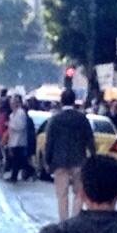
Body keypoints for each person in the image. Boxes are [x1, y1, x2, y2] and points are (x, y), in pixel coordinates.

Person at [44, 89, 95, 220]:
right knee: (79, 193)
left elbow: (49, 141)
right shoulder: (81, 118)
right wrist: (93, 157)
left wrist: (47, 160)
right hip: (79, 160)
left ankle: (64, 222)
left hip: (59, 161)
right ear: (74, 101)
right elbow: (90, 139)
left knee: (62, 194)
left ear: (61, 101)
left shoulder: (55, 119)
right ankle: (75, 220)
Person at [7, 95, 29, 182]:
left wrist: (10, 125)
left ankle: (14, 177)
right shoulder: (12, 114)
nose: (11, 105)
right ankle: (26, 171)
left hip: (19, 140)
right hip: (13, 140)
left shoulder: (21, 113)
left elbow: (21, 126)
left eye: (12, 103)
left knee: (17, 159)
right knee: (17, 159)